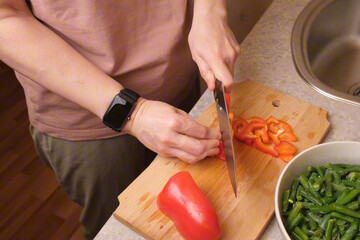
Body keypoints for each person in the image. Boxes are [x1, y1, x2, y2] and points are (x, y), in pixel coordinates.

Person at [0, 0, 240, 239]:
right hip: (90, 124)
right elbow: (5, 17)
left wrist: (210, 13)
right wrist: (134, 113)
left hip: (180, 82)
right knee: (119, 228)